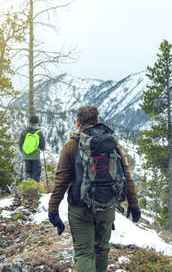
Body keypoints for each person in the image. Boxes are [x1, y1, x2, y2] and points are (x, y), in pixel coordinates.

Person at [48, 105, 141, 272]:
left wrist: (53, 210)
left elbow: (61, 181)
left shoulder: (72, 145)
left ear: (78, 123)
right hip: (107, 207)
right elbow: (126, 176)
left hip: (80, 208)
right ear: (97, 121)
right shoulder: (111, 144)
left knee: (84, 253)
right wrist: (134, 205)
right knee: (102, 250)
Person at [19, 115, 45, 182]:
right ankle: (35, 190)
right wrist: (42, 148)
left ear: (29, 122)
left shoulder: (24, 131)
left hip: (26, 156)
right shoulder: (39, 132)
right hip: (35, 156)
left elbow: (20, 144)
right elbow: (42, 146)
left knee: (28, 172)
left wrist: (23, 152)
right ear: (37, 123)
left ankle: (28, 188)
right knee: (36, 173)